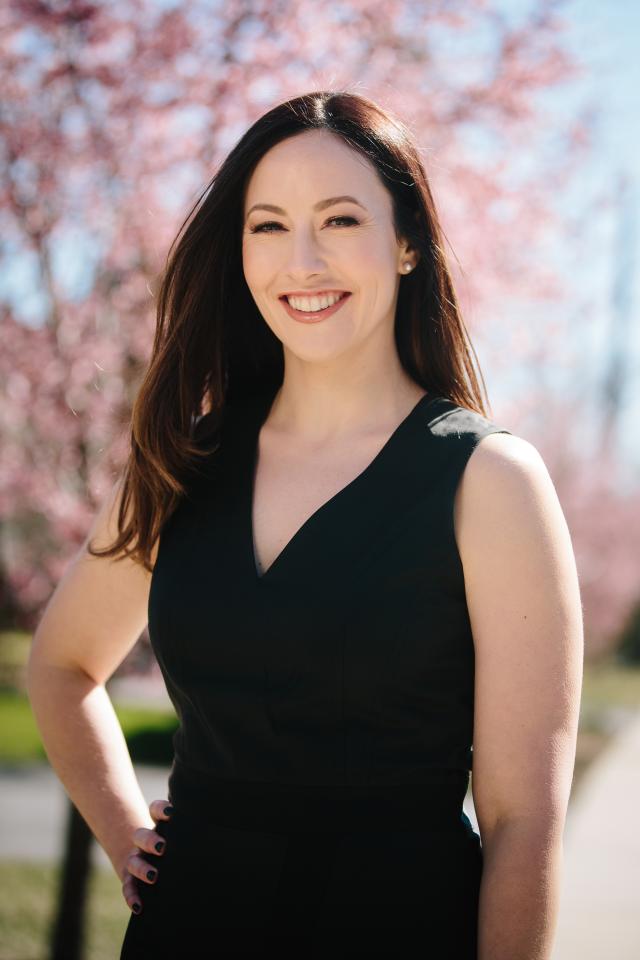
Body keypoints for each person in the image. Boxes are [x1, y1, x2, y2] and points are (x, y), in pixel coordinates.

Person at [27, 90, 584, 959]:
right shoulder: (181, 461)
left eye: (340, 220)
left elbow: (523, 822)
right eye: (269, 226)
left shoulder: (489, 481)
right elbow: (61, 667)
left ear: (407, 244)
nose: (304, 260)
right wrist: (122, 830)